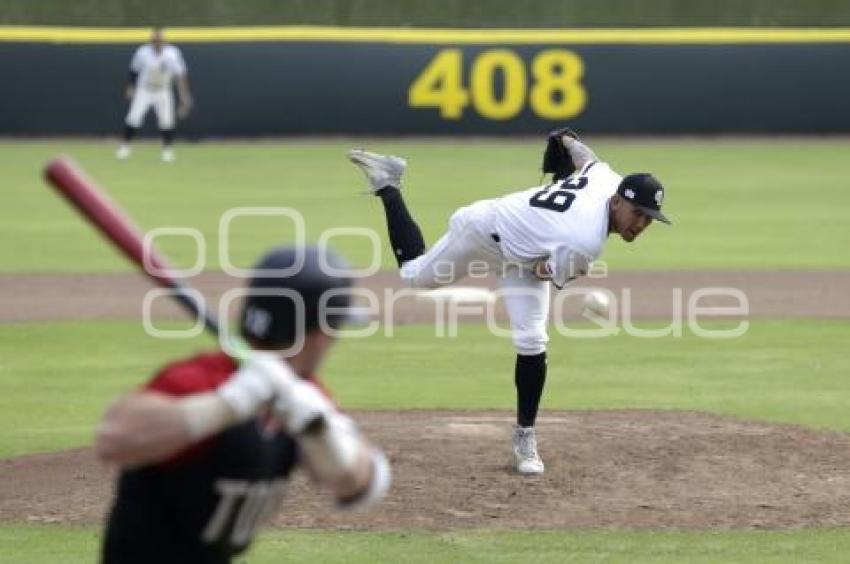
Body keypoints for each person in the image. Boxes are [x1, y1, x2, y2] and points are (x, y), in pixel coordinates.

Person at [348, 131, 671, 476]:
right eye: (638, 213)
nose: (642, 223)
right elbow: (545, 270)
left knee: (533, 339)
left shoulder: (608, 179)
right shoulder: (585, 242)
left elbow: (584, 156)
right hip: (483, 231)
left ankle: (524, 437)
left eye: (649, 218)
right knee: (414, 276)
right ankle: (388, 182)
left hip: (523, 249)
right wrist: (555, 267)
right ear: (618, 200)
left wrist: (567, 139)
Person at [96, 245, 390, 563]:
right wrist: (231, 403)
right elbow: (114, 438)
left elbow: (360, 484)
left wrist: (324, 435)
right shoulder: (204, 380)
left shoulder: (301, 393)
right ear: (319, 334)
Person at [116, 27, 193, 163]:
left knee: (166, 121)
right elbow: (134, 70)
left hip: (163, 90)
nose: (158, 43)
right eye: (155, 40)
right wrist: (130, 87)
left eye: (160, 40)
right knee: (134, 118)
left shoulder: (172, 53)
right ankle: (125, 147)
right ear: (151, 41)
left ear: (165, 41)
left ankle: (167, 151)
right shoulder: (143, 52)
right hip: (144, 89)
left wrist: (184, 96)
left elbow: (180, 75)